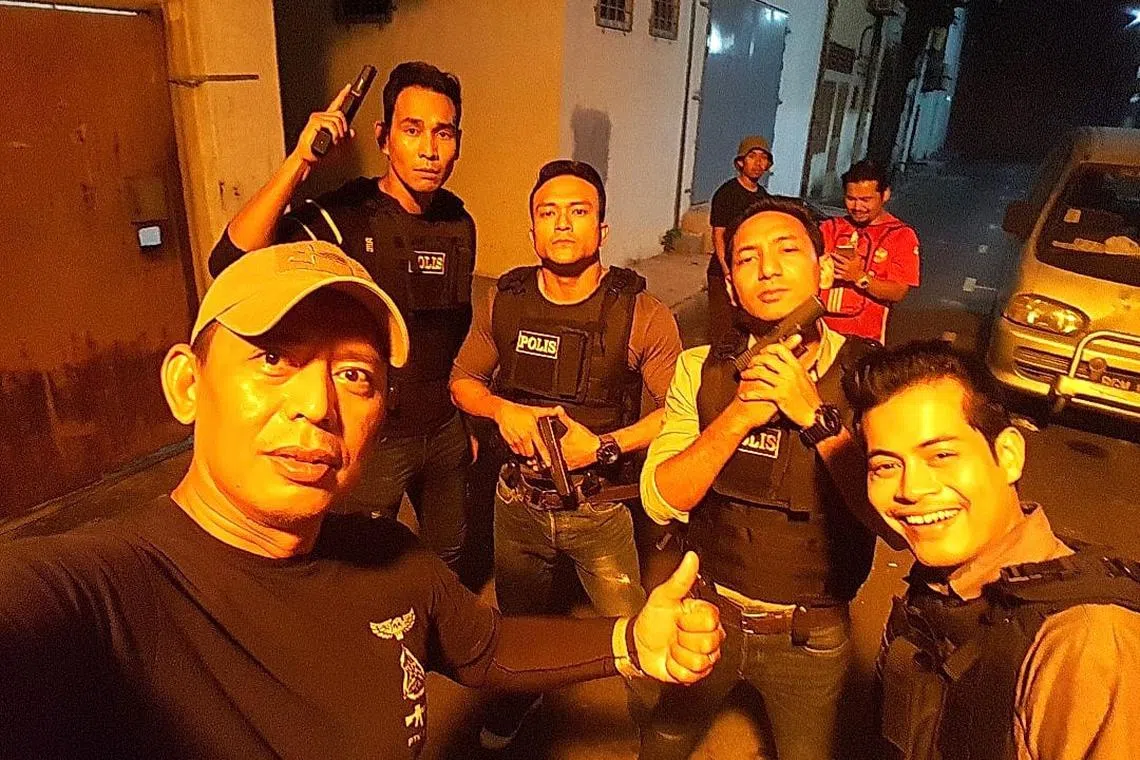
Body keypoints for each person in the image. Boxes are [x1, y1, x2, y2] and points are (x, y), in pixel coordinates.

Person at [0, 240, 725, 760]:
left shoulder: (388, 556)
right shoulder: (99, 597)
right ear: (188, 385)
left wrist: (629, 641)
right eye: (272, 358)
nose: (317, 405)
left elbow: (484, 647)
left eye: (355, 376)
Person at [639, 195, 888, 760]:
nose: (768, 269)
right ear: (731, 287)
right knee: (665, 738)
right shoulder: (699, 368)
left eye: (786, 251)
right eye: (747, 258)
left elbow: (894, 525)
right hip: (705, 614)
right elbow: (660, 499)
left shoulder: (871, 378)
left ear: (824, 271)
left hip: (811, 635)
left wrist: (815, 417)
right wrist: (737, 417)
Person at [209, 61, 475, 581]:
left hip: (443, 430)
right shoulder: (345, 214)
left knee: (449, 555)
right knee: (359, 568)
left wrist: (464, 419)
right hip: (374, 438)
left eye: (443, 133)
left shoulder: (459, 222)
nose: (428, 149)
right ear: (383, 137)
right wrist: (301, 161)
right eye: (412, 130)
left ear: (457, 143)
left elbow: (454, 327)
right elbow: (231, 259)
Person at [449, 160, 683, 748]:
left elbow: (679, 413)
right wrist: (503, 410)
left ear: (601, 229)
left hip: (600, 510)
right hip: (517, 504)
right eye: (547, 212)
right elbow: (463, 380)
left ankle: (657, 730)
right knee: (519, 626)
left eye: (578, 212)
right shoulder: (505, 300)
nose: (561, 223)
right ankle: (516, 700)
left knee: (637, 632)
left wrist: (603, 446)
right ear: (532, 229)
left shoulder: (642, 314)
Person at [844, 339, 1140, 760]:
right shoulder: (944, 585)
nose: (911, 489)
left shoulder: (1085, 643)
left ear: (1008, 455)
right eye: (886, 466)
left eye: (941, 455)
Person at [819, 159, 920, 343]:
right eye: (851, 199)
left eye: (866, 200)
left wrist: (858, 277)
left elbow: (898, 291)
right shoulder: (829, 228)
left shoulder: (902, 236)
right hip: (820, 337)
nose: (857, 207)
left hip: (864, 341)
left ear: (885, 195)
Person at [708, 135, 773, 342]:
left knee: (748, 330)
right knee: (722, 331)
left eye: (763, 158)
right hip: (723, 273)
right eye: (752, 156)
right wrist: (727, 270)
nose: (758, 163)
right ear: (740, 162)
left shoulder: (763, 197)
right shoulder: (726, 193)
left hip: (749, 272)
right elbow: (718, 234)